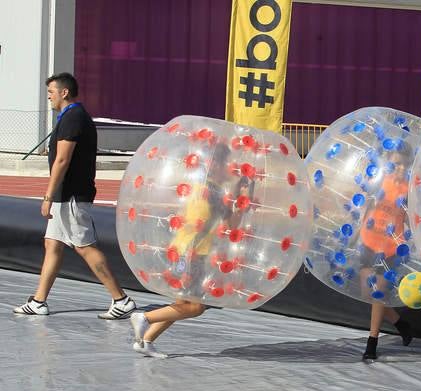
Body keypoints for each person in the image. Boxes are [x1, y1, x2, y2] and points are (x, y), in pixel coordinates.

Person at [14, 73, 136, 319]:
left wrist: (48, 196)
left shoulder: (74, 117)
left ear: (64, 92)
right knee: (52, 244)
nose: (49, 97)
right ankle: (39, 301)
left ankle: (121, 300)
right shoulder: (71, 117)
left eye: (51, 92)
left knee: (84, 247)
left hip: (71, 196)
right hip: (65, 195)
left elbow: (62, 159)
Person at [130, 148, 249, 358]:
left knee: (181, 304)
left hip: (181, 248)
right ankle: (145, 318)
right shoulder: (214, 193)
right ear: (215, 165)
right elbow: (232, 224)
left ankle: (146, 341)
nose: (230, 168)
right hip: (193, 253)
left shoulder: (200, 186)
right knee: (195, 307)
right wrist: (242, 199)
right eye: (226, 163)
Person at [359, 153, 413, 360]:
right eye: (396, 163)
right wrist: (356, 236)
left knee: (377, 293)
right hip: (369, 240)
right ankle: (401, 324)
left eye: (404, 164)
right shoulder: (379, 180)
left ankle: (372, 342)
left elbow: (410, 218)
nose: (400, 167)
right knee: (367, 293)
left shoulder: (409, 189)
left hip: (390, 246)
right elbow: (367, 207)